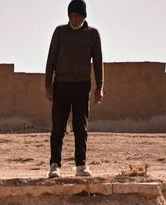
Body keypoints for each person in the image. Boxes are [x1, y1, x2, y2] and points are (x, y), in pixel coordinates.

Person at [45, 0, 104, 178]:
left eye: (78, 15)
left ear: (84, 16)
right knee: (58, 127)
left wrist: (99, 86)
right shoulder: (60, 32)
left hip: (81, 85)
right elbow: (51, 59)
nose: (74, 19)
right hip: (61, 85)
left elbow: (98, 62)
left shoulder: (92, 34)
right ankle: (55, 165)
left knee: (80, 127)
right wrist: (48, 85)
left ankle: (81, 165)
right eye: (71, 15)